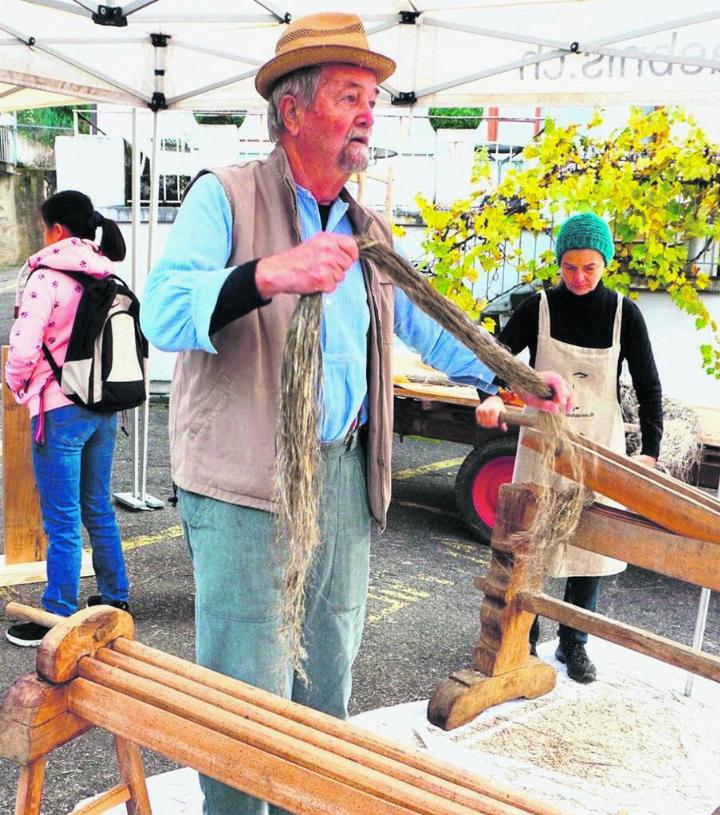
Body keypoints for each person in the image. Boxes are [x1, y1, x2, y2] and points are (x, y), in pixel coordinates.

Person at [141, 12, 571, 815]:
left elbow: (428, 322)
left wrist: (517, 379)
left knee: (325, 683)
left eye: (373, 97)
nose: (370, 112)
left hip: (343, 475)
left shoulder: (365, 228)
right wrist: (268, 272)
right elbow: (160, 314)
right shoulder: (225, 195)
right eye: (350, 95)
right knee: (246, 698)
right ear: (293, 110)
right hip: (246, 489)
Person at [476, 212, 663, 683]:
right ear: (558, 263)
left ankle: (574, 642)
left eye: (589, 268)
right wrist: (493, 395)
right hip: (542, 447)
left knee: (588, 549)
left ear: (606, 265)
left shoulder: (624, 314)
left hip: (599, 449)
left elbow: (647, 383)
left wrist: (651, 448)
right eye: (569, 268)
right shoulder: (537, 308)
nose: (578, 278)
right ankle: (526, 635)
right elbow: (493, 361)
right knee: (531, 545)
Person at [5, 190, 131, 648]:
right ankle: (115, 597)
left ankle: (57, 612)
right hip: (103, 408)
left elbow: (23, 347)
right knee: (97, 507)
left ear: (56, 229)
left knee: (60, 518)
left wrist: (17, 384)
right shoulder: (104, 273)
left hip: (58, 411)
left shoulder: (45, 277)